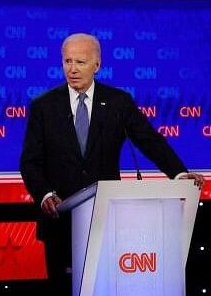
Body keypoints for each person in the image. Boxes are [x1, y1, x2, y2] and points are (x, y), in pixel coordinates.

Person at [19, 32, 204, 295]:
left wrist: (179, 173)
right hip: (60, 220)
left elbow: (149, 140)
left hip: (105, 219)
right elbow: (30, 161)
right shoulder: (43, 106)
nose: (72, 69)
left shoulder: (118, 102)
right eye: (67, 61)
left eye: (80, 62)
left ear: (97, 65)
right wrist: (44, 193)